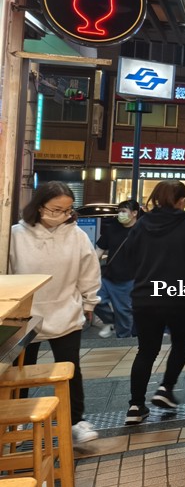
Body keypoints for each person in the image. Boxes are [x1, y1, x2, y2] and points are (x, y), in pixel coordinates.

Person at [9, 182, 101, 444]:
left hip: (65, 311)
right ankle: (14, 421)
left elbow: (88, 271)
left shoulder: (76, 235)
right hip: (24, 315)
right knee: (19, 372)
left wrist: (90, 302)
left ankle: (75, 421)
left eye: (68, 210)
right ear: (39, 206)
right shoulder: (16, 235)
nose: (62, 215)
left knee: (70, 369)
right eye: (56, 209)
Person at [122, 182, 185, 425]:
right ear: (181, 200)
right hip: (179, 297)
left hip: (145, 297)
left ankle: (136, 406)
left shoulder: (141, 224)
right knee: (182, 343)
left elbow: (129, 257)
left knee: (146, 351)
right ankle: (165, 388)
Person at [93, 200, 142, 338]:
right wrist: (89, 268)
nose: (120, 214)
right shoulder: (112, 228)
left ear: (134, 213)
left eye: (124, 211)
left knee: (123, 312)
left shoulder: (141, 231)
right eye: (119, 211)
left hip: (129, 279)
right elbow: (99, 250)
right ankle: (111, 321)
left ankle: (123, 340)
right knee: (94, 300)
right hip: (108, 276)